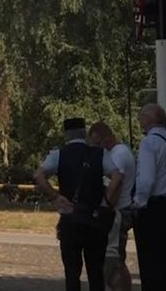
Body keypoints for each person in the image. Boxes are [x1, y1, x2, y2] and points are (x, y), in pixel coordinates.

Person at [34, 117, 123, 291]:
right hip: (95, 219)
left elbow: (38, 176)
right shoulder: (100, 154)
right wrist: (106, 202)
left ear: (66, 134)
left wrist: (55, 196)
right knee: (96, 272)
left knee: (72, 272)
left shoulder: (58, 154)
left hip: (70, 217)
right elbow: (118, 176)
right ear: (85, 133)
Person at [87, 122, 135, 291]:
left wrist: (104, 206)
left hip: (117, 210)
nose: (96, 148)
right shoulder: (118, 151)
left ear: (107, 138)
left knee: (112, 259)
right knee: (118, 260)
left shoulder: (117, 154)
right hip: (121, 208)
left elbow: (115, 182)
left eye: (97, 143)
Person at [132, 103, 166, 290]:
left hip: (155, 208)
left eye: (141, 118)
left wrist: (139, 203)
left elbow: (146, 179)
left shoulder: (149, 143)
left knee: (151, 262)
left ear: (148, 120)